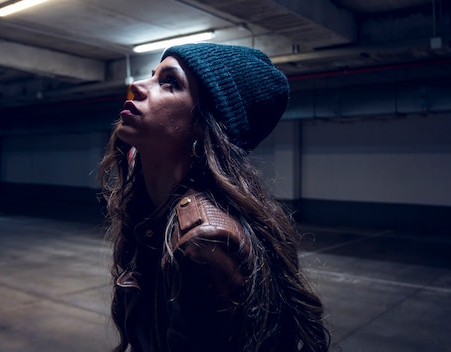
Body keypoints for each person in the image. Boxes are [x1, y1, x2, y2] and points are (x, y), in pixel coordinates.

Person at [98, 43, 330, 352]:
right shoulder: (152, 213)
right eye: (153, 75)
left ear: (202, 127)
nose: (137, 86)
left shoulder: (204, 243)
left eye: (170, 82)